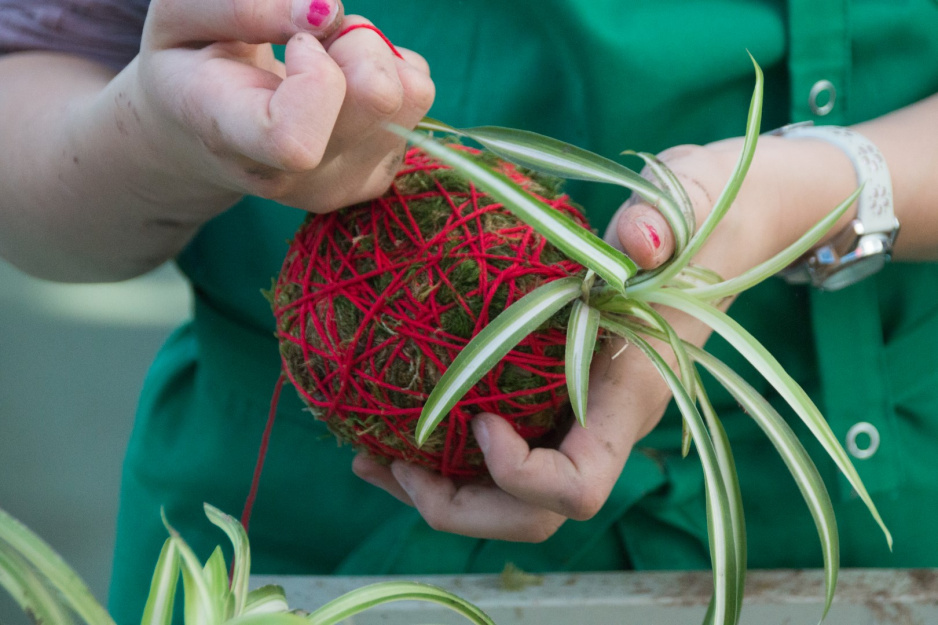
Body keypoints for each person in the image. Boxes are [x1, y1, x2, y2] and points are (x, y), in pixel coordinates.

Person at [2, 1, 938, 623]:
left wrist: (822, 189)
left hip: (880, 535)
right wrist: (163, 137)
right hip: (312, 556)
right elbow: (34, 98)